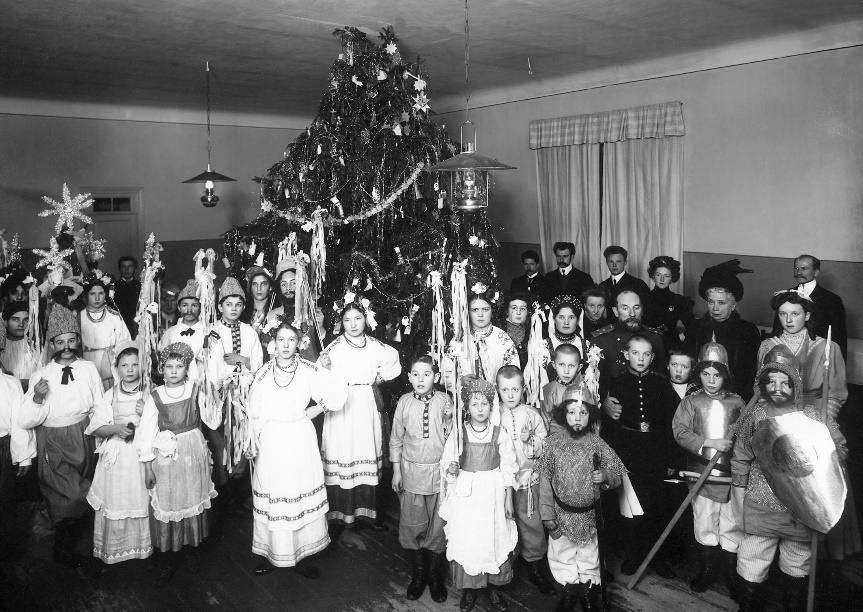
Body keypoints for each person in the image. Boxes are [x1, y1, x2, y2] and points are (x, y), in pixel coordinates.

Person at [732, 345, 847, 610]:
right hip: (761, 505)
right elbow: (740, 459)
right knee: (752, 558)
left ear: (796, 383)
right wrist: (738, 502)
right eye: (771, 381)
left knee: (797, 561)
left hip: (803, 506)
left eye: (785, 382)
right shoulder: (755, 416)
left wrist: (828, 455)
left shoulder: (814, 416)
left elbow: (838, 448)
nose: (777, 388)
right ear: (762, 383)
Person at [246, 321, 347, 578]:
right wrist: (252, 439)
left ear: (299, 343)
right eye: (281, 339)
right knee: (276, 492)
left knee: (299, 490)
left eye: (291, 340)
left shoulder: (308, 368)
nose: (286, 345)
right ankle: (273, 553)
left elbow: (336, 391)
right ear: (274, 343)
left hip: (300, 436)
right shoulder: (264, 372)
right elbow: (254, 409)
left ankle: (303, 554)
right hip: (272, 439)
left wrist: (320, 407)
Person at [20, 305, 104, 566]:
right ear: (51, 344)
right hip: (54, 440)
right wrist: (37, 398)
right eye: (60, 342)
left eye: (71, 340)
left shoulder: (89, 368)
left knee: (87, 490)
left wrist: (100, 435)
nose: (66, 347)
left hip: (84, 435)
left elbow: (100, 404)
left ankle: (74, 547)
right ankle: (63, 549)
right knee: (70, 495)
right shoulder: (42, 374)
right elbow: (25, 419)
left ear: (78, 340)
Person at [536, 384, 624, 612]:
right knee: (562, 554)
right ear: (563, 414)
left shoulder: (597, 443)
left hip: (589, 516)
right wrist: (547, 514)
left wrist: (605, 475)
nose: (577, 418)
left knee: (589, 555)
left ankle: (587, 589)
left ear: (591, 415)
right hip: (561, 514)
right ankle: (569, 588)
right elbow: (544, 481)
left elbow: (617, 473)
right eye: (572, 412)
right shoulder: (552, 444)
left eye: (583, 413)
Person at [319, 300, 401, 532]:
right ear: (341, 322)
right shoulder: (334, 347)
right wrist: (325, 367)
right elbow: (319, 378)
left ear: (366, 319)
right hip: (341, 405)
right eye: (347, 320)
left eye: (358, 318)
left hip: (365, 402)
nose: (353, 324)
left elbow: (394, 361)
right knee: (342, 451)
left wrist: (379, 378)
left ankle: (368, 514)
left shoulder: (375, 345)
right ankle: (341, 514)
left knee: (365, 449)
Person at [137, 342, 216, 580]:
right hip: (168, 456)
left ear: (186, 369)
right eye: (169, 366)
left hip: (193, 451)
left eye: (179, 366)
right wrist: (147, 466)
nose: (173, 371)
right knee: (171, 497)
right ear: (161, 369)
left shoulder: (195, 389)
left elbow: (212, 418)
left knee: (192, 493)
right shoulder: (155, 396)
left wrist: (214, 392)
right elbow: (146, 433)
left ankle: (193, 547)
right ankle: (168, 554)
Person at [439, 375, 518, 612]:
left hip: (493, 493)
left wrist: (508, 498)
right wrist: (451, 469)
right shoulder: (460, 433)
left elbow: (508, 466)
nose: (480, 408)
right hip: (467, 495)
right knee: (470, 538)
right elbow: (448, 461)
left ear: (491, 406)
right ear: (467, 407)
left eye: (484, 403)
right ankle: (470, 589)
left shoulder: (499, 433)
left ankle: (494, 588)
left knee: (493, 536)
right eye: (475, 404)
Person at [672, 338, 745, 593]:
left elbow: (747, 436)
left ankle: (731, 571)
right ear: (698, 374)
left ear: (726, 375)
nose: (711, 380)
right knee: (705, 520)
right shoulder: (691, 402)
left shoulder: (737, 403)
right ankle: (708, 569)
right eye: (706, 374)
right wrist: (709, 442)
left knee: (731, 522)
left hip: (731, 475)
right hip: (701, 473)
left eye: (717, 375)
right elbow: (680, 431)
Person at [605, 335, 678, 578]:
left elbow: (672, 425)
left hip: (656, 450)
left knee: (658, 505)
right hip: (628, 450)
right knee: (631, 507)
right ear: (626, 354)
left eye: (646, 354)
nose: (640, 358)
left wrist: (671, 459)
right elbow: (611, 426)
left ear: (653, 357)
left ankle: (659, 558)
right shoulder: (617, 383)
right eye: (635, 353)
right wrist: (613, 457)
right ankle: (634, 554)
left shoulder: (661, 384)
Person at [390, 354, 453, 602]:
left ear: (436, 377)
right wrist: (396, 471)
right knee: (413, 523)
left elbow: (451, 438)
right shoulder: (404, 402)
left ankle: (435, 577)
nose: (420, 379)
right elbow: (396, 439)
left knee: (438, 526)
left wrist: (450, 417)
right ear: (409, 377)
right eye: (415, 374)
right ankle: (418, 575)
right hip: (411, 473)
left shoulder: (444, 400)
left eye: (426, 374)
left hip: (439, 475)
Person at [85, 341, 152, 565]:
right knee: (117, 497)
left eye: (135, 364)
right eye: (125, 365)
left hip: (142, 454)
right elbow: (97, 427)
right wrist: (115, 428)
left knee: (141, 496)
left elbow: (161, 425)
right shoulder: (110, 394)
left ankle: (143, 547)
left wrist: (148, 412)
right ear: (117, 368)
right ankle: (116, 548)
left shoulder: (149, 393)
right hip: (118, 456)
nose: (130, 369)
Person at [497, 365, 554, 595]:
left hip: (529, 482)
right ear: (498, 390)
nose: (510, 395)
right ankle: (506, 568)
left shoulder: (531, 414)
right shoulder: (494, 414)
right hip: (503, 483)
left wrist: (530, 439)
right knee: (505, 524)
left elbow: (545, 445)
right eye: (505, 390)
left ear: (523, 389)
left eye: (515, 389)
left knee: (532, 524)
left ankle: (535, 566)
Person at [760, 290, 847, 418]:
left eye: (795, 314)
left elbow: (836, 394)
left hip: (816, 413)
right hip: (776, 413)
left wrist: (821, 421)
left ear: (807, 316)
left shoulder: (828, 347)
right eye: (783, 314)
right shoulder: (767, 346)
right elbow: (761, 390)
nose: (788, 320)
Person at [684, 260, 761, 402]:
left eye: (721, 303)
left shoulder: (747, 331)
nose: (715, 308)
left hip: (734, 399)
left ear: (733, 305)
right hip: (698, 398)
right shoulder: (695, 328)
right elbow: (688, 367)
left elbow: (749, 376)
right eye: (711, 302)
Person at [594, 290, 666, 411]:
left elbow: (661, 375)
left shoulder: (655, 338)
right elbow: (594, 381)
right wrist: (603, 402)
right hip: (615, 408)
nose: (632, 314)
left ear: (642, 310)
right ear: (615, 311)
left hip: (649, 407)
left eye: (636, 308)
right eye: (625, 308)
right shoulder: (601, 340)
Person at [771, 254, 847, 359]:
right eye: (796, 268)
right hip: (787, 357)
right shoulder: (784, 296)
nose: (799, 272)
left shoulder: (832, 300)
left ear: (816, 272)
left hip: (818, 358)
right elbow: (777, 331)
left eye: (804, 269)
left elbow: (839, 338)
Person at [0, 368, 35, 559]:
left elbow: (19, 422)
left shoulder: (10, 383)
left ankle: (7, 556)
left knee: (5, 502)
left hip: (3, 448)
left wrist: (24, 455)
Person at [449, 291, 518, 386]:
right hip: (466, 393)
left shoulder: (503, 339)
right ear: (468, 312)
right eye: (475, 310)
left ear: (492, 310)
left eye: (485, 309)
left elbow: (514, 375)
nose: (480, 314)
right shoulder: (459, 339)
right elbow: (446, 373)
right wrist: (460, 381)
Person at [79, 273, 132, 390]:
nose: (97, 298)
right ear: (86, 295)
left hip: (111, 363)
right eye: (92, 294)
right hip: (87, 362)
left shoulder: (114, 316)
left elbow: (125, 342)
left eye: (101, 293)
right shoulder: (79, 317)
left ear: (106, 294)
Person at [643, 256, 694, 350]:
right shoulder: (644, 299)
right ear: (653, 276)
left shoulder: (680, 301)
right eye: (658, 275)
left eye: (666, 276)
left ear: (672, 278)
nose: (662, 279)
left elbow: (691, 327)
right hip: (647, 346)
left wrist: (681, 337)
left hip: (672, 347)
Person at [159, 280, 206, 381]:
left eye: (194, 305)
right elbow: (162, 361)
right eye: (185, 305)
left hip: (202, 384)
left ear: (200, 307)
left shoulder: (207, 332)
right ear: (179, 308)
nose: (189, 310)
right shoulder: (170, 333)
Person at [541, 344, 583, 434]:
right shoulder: (548, 390)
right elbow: (545, 423)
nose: (566, 371)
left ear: (579, 367)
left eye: (571, 366)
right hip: (556, 437)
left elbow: (592, 421)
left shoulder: (583, 389)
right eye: (561, 365)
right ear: (554, 365)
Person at [1, 301, 39, 391]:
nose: (21, 324)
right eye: (15, 319)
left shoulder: (35, 346)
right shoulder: (1, 346)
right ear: (5, 322)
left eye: (26, 320)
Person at [241, 265, 275, 354]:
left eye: (263, 284)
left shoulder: (276, 313)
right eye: (255, 284)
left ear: (270, 287)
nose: (258, 288)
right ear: (250, 288)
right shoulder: (242, 314)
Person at [503, 293, 533, 369]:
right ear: (507, 311)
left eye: (522, 309)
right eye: (514, 308)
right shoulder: (501, 330)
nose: (518, 313)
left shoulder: (530, 330)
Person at [113, 256, 141, 335]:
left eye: (130, 266)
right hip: (119, 326)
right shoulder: (114, 287)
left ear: (135, 268)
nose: (127, 269)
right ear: (119, 269)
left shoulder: (141, 287)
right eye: (123, 267)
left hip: (137, 327)